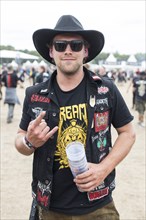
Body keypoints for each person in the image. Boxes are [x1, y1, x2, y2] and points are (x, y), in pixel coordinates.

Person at [15, 15, 136, 220]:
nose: (68, 50)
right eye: (60, 45)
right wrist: (29, 141)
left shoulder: (106, 90)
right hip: (49, 207)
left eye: (76, 45)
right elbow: (20, 139)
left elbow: (128, 133)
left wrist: (103, 169)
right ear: (51, 51)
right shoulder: (34, 95)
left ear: (85, 51)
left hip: (98, 206)